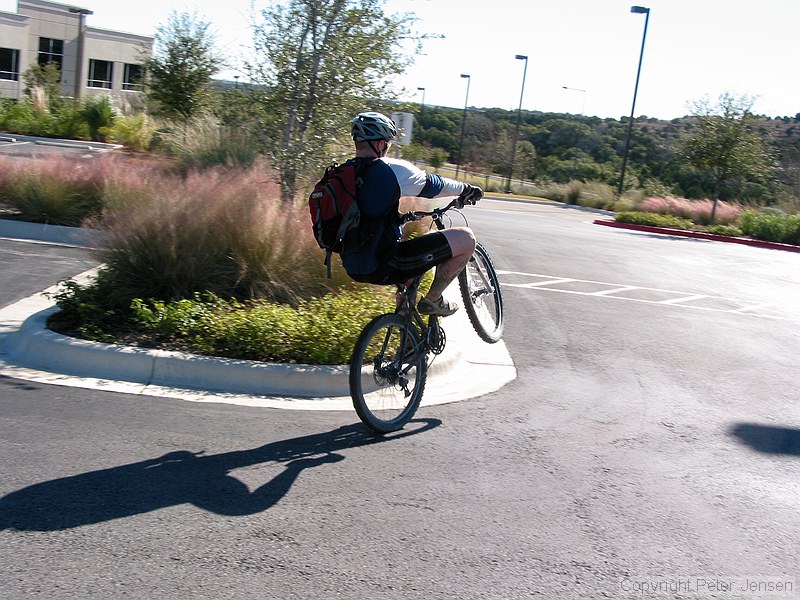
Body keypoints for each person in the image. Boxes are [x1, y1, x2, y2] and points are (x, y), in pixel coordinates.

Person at [342, 112, 483, 317]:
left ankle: (405, 336)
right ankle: (434, 300)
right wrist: (466, 189)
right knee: (466, 239)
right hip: (386, 263)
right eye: (388, 144)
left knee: (410, 276)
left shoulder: (345, 172)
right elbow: (435, 185)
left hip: (353, 264)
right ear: (381, 144)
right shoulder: (389, 169)